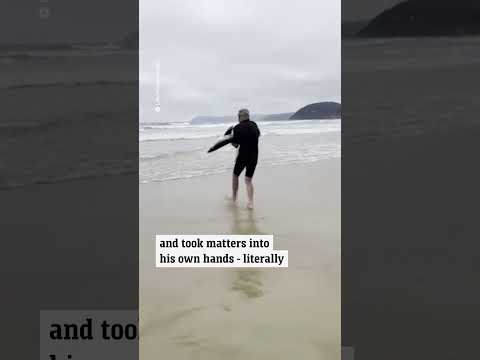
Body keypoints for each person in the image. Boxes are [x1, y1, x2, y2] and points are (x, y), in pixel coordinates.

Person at [230, 108, 260, 209]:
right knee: (248, 180)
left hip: (243, 156)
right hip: (254, 156)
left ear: (240, 117)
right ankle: (250, 203)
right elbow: (257, 135)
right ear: (248, 116)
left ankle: (234, 198)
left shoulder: (237, 128)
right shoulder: (254, 125)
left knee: (235, 175)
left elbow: (235, 144)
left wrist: (230, 140)